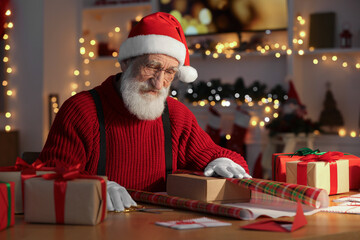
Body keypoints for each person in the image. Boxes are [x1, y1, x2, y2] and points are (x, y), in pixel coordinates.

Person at [39, 12, 251, 212]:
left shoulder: (176, 115)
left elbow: (219, 154)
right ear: (126, 62)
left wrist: (221, 161)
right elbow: (50, 174)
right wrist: (92, 186)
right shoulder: (81, 110)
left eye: (169, 72)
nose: (159, 84)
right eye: (151, 66)